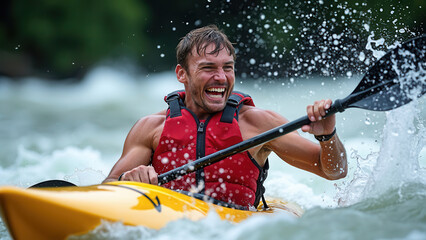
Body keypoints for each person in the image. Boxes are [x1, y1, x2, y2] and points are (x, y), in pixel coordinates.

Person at [103, 25, 347, 208]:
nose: (221, 77)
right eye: (208, 68)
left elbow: (334, 171)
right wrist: (129, 179)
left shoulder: (258, 123)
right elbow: (107, 187)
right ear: (182, 74)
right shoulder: (151, 127)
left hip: (236, 226)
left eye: (227, 68)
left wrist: (328, 136)